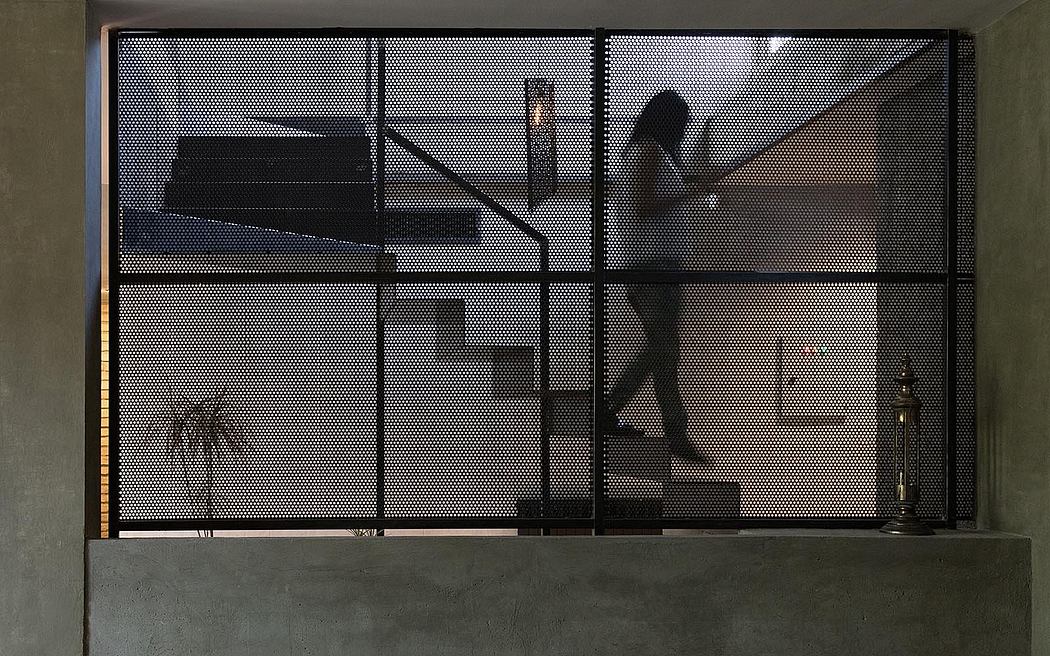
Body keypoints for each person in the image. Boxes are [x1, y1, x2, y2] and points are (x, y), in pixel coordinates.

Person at [606, 90, 707, 463]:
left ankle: (676, 435)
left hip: (657, 268)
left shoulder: (651, 153)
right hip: (653, 268)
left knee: (666, 354)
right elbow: (643, 203)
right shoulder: (649, 150)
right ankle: (609, 404)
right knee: (665, 350)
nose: (683, 132)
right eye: (681, 124)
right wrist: (688, 194)